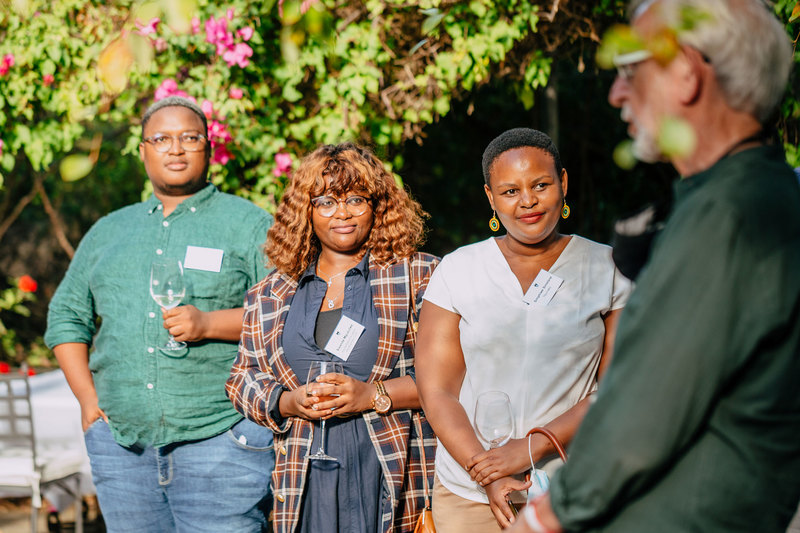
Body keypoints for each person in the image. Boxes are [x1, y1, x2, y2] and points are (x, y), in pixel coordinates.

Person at [512, 1, 800, 532]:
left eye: (630, 71)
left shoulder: (728, 214)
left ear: (687, 73)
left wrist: (546, 515)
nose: (616, 93)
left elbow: (645, 410)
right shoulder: (763, 193)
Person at [45, 96, 275, 532]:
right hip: (122, 450)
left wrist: (209, 324)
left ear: (208, 148)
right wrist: (88, 402)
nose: (175, 149)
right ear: (143, 151)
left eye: (189, 138)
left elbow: (286, 316)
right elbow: (67, 316)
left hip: (221, 443)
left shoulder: (247, 224)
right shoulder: (110, 231)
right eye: (162, 139)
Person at [415, 127, 632, 532]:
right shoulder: (458, 269)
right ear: (490, 198)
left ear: (563, 183)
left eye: (541, 185)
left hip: (571, 486)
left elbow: (621, 387)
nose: (527, 202)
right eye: (510, 191)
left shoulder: (609, 268)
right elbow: (438, 390)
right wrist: (491, 474)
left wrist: (532, 447)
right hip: (470, 492)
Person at [226, 142, 439, 533]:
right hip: (305, 477)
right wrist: (286, 402)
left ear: (379, 205)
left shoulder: (419, 277)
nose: (342, 212)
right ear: (306, 211)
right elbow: (242, 378)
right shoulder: (270, 292)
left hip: (393, 470)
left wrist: (372, 395)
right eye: (325, 201)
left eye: (356, 198)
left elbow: (454, 378)